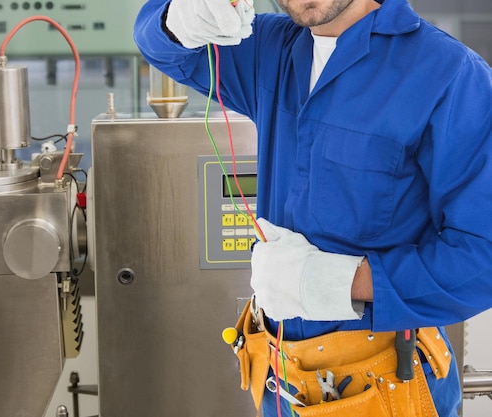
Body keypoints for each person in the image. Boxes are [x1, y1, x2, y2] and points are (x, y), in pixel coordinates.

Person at [134, 0, 492, 416]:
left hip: (390, 384)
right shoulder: (269, 49)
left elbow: (482, 259)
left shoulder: (448, 75)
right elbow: (158, 46)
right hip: (280, 381)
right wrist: (177, 19)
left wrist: (341, 283)